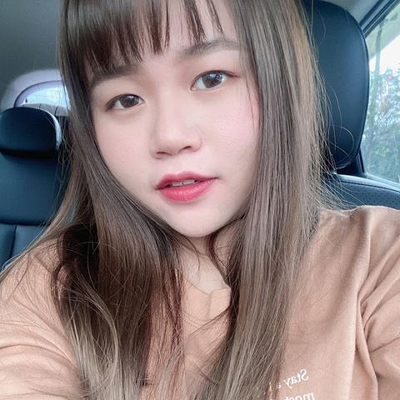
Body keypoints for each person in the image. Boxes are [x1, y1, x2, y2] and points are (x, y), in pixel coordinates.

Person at [0, 0, 399, 399]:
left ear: (280, 80)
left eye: (211, 79)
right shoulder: (48, 289)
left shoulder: (378, 258)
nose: (170, 137)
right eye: (125, 100)